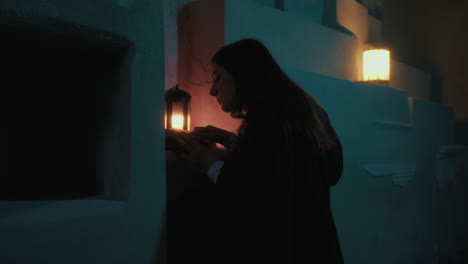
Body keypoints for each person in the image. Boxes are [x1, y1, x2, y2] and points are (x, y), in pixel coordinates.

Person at [170, 38, 344, 264]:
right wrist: (233, 142)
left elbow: (252, 199)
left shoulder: (270, 124)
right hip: (315, 246)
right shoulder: (298, 111)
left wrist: (210, 164)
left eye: (218, 78)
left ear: (243, 75)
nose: (213, 90)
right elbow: (287, 169)